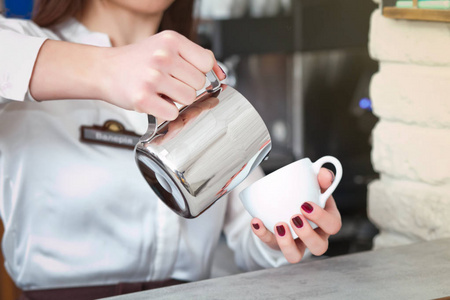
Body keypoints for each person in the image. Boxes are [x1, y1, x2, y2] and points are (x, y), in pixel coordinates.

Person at [0, 0, 342, 299]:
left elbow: (250, 237)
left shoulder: (204, 81)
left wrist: (285, 238)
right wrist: (105, 67)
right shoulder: (22, 40)